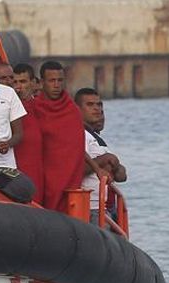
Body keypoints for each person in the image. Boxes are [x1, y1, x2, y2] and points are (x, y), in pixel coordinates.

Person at [31, 60, 85, 212]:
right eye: (52, 81)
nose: (56, 85)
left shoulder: (72, 111)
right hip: (42, 176)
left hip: (69, 178)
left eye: (60, 80)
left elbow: (77, 149)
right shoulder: (34, 108)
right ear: (42, 82)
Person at [75, 87, 127, 223]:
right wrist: (104, 160)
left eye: (99, 105)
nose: (97, 109)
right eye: (90, 105)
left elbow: (121, 176)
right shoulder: (79, 134)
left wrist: (115, 165)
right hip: (91, 207)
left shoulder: (96, 138)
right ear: (77, 109)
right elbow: (76, 169)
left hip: (106, 207)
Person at [11, 62, 45, 203]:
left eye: (23, 82)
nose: (18, 87)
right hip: (15, 168)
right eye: (15, 82)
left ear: (33, 83)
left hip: (38, 170)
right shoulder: (6, 109)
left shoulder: (42, 108)